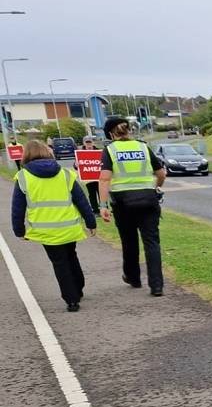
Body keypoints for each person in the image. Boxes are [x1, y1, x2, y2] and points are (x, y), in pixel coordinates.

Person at [10, 139, 97, 312]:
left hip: (46, 230)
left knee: (59, 263)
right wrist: (90, 222)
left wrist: (19, 230)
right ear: (47, 152)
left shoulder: (23, 177)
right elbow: (81, 200)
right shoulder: (65, 174)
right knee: (71, 256)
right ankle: (78, 288)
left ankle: (71, 299)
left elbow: (17, 207)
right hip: (69, 226)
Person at [98, 116, 167, 296]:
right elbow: (161, 173)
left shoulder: (110, 150)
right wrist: (156, 187)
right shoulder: (143, 147)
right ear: (128, 130)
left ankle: (133, 277)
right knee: (152, 242)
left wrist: (103, 205)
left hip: (123, 202)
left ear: (111, 134)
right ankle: (157, 285)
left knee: (129, 242)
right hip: (148, 198)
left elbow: (104, 178)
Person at [79, 136, 101, 215]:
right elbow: (76, 165)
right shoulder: (80, 153)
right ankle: (95, 210)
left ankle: (104, 209)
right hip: (89, 178)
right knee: (92, 195)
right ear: (84, 143)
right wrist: (76, 164)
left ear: (93, 143)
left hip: (99, 178)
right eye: (87, 143)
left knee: (101, 193)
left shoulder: (99, 151)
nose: (89, 145)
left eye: (90, 142)